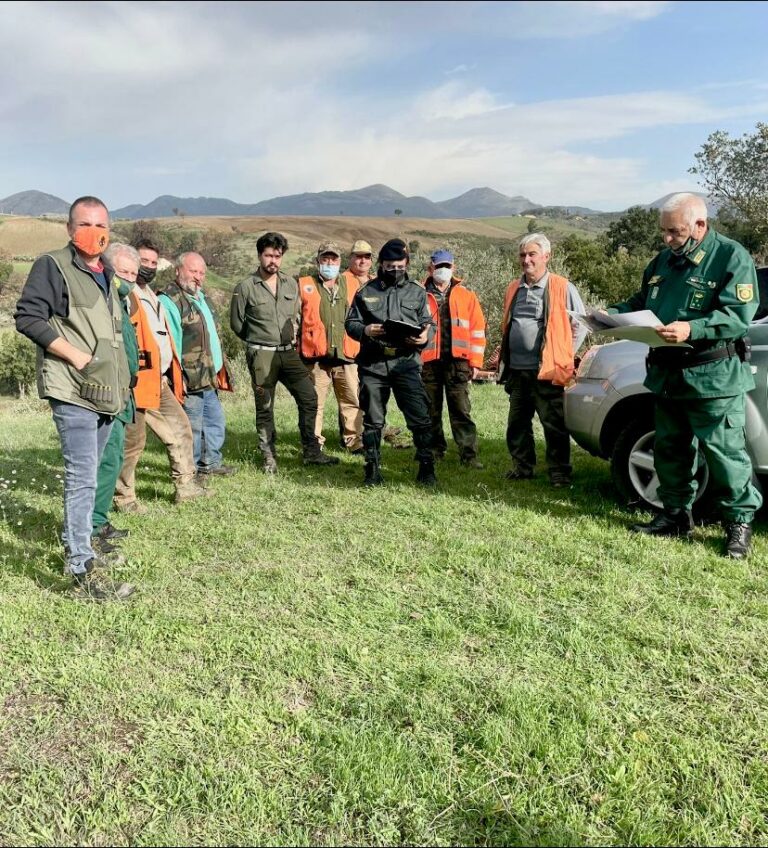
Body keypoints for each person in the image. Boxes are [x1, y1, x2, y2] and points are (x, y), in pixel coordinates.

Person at [609, 192, 761, 558]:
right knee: (670, 450)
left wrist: (692, 329)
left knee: (724, 455)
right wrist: (609, 315)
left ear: (700, 225)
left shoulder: (730, 256)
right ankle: (675, 516)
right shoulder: (663, 261)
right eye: (664, 232)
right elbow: (640, 302)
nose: (667, 240)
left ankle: (737, 525)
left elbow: (738, 315)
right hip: (668, 376)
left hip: (713, 376)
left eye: (674, 232)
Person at [14, 196, 135, 601]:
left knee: (93, 471)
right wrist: (75, 355)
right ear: (69, 229)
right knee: (82, 478)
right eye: (84, 224)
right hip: (73, 388)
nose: (93, 232)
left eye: (101, 225)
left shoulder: (108, 274)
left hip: (105, 390)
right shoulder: (53, 265)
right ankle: (81, 570)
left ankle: (80, 546)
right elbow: (28, 317)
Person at [230, 232, 339, 473]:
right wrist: (258, 341)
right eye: (268, 255)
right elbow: (237, 325)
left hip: (288, 353)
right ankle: (269, 456)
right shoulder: (246, 287)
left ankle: (312, 451)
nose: (273, 261)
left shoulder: (291, 284)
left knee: (309, 396)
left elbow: (296, 317)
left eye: (277, 256)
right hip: (262, 355)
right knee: (265, 406)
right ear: (260, 255)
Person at [114, 240, 210, 512]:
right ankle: (124, 498)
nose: (148, 267)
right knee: (133, 442)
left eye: (154, 263)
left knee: (180, 427)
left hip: (159, 378)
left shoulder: (151, 295)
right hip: (136, 380)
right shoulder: (124, 295)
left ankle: (186, 486)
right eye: (143, 262)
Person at [345, 238, 436, 486]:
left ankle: (426, 468)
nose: (395, 270)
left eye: (400, 265)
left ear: (406, 263)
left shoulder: (417, 292)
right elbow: (351, 323)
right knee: (373, 420)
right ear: (381, 264)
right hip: (374, 365)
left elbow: (428, 323)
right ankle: (372, 469)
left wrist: (426, 335)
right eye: (389, 266)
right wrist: (366, 330)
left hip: (406, 363)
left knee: (419, 417)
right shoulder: (366, 292)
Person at [499, 233, 586, 488]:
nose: (526, 260)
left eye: (532, 254)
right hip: (518, 371)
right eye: (523, 255)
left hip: (547, 371)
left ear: (546, 257)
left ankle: (559, 473)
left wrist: (564, 353)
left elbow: (580, 324)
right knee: (517, 423)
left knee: (554, 425)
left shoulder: (562, 286)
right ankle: (522, 467)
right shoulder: (513, 288)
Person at [159, 252, 236, 477]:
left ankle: (210, 463)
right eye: (193, 271)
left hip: (208, 374)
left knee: (214, 421)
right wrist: (176, 376)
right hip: (189, 377)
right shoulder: (169, 299)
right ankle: (189, 472)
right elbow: (170, 342)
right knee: (191, 427)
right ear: (178, 271)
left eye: (202, 273)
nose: (198, 277)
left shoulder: (201, 297)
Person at [91, 243, 140, 552]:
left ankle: (99, 519)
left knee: (114, 459)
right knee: (105, 461)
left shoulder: (121, 303)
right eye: (124, 272)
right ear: (108, 269)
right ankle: (91, 528)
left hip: (124, 392)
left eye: (134, 274)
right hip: (106, 392)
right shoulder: (101, 300)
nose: (131, 279)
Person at [421, 248, 486, 468]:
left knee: (461, 410)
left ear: (453, 268)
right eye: (439, 266)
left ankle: (469, 455)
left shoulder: (466, 295)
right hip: (427, 361)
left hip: (458, 362)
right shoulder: (418, 293)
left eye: (447, 266)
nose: (443, 270)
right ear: (431, 268)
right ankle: (433, 451)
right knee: (430, 411)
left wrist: (475, 362)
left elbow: (478, 331)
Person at [298, 242, 363, 454]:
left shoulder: (352, 284)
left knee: (351, 401)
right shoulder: (304, 285)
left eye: (333, 259)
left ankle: (354, 442)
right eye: (325, 259)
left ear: (339, 261)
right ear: (318, 261)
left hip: (347, 357)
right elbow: (295, 320)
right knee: (315, 404)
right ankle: (314, 443)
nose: (329, 263)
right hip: (317, 359)